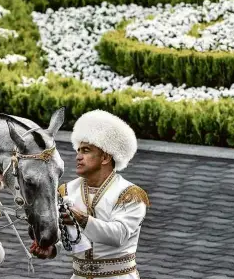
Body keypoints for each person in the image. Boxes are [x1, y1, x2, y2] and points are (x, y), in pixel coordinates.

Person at [31, 110, 150, 279]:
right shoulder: (66, 190)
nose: (78, 157)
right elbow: (70, 237)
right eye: (78, 150)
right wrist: (51, 249)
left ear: (105, 157)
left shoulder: (130, 194)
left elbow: (118, 235)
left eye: (86, 150)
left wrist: (82, 219)